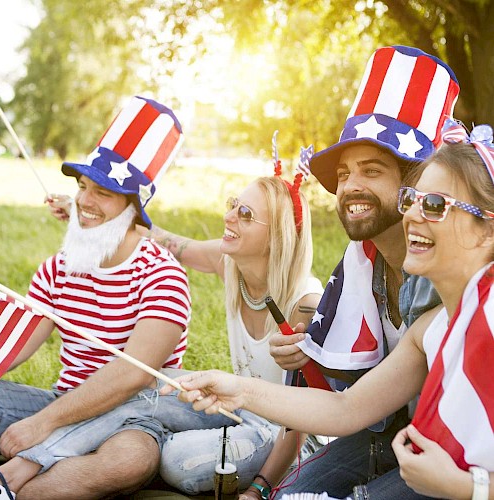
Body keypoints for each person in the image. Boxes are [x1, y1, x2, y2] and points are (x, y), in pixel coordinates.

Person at [161, 119, 494, 500]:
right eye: (412, 200)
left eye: (435, 205)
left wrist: (471, 489)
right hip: (411, 448)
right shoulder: (431, 326)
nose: (414, 215)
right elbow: (348, 407)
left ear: (488, 229)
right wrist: (237, 389)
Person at [46, 137, 324, 495]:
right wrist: (90, 212)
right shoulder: (231, 266)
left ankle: (124, 450)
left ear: (278, 238)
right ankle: (53, 450)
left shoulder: (306, 305)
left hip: (289, 438)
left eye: (245, 214)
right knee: (151, 380)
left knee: (178, 460)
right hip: (239, 407)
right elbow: (167, 240)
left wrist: (258, 489)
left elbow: (300, 423)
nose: (228, 217)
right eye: (233, 204)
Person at [263, 45, 460, 498]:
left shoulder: (450, 275)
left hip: (457, 448)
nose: (350, 185)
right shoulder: (361, 264)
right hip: (389, 429)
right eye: (346, 172)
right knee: (290, 495)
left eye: (372, 170)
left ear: (414, 181)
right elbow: (351, 383)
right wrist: (308, 349)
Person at [0, 96, 191, 500]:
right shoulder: (59, 267)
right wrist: (47, 417)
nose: (84, 201)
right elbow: (18, 343)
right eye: (83, 187)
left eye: (103, 192)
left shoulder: (163, 274)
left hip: (135, 416)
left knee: (131, 461)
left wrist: (43, 424)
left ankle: (11, 491)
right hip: (63, 400)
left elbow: (132, 376)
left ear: (132, 207)